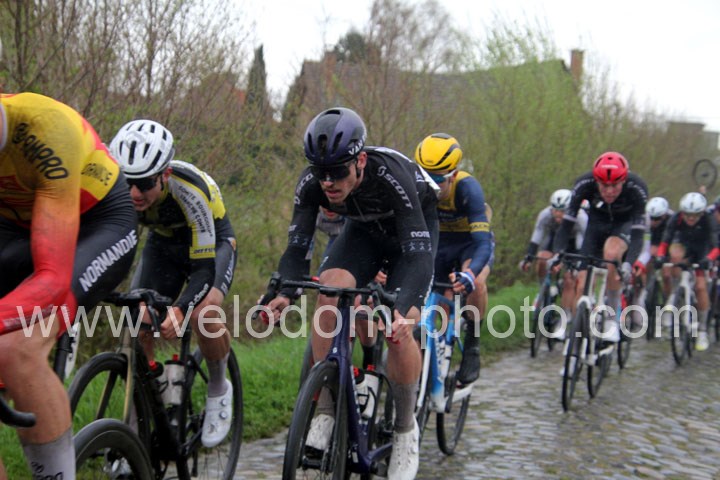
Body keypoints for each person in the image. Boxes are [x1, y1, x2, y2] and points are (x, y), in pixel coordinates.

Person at [265, 107, 438, 480]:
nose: (328, 182)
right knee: (328, 290)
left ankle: (405, 429)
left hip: (412, 238)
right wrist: (284, 292)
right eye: (320, 172)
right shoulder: (312, 184)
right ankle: (326, 409)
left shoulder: (391, 175)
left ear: (360, 161)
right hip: (363, 233)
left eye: (338, 172)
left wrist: (403, 308)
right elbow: (297, 248)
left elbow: (418, 257)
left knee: (398, 328)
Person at [0, 92, 139, 479]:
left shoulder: (46, 127)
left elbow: (51, 281)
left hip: (96, 225)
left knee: (16, 348)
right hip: (14, 228)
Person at [109, 119, 237, 448]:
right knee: (137, 321)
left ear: (164, 174)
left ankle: (219, 387)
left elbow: (203, 270)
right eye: (127, 182)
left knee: (202, 314)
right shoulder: (116, 190)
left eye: (144, 184)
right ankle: (143, 409)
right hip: (163, 245)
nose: (134, 193)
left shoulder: (189, 191)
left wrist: (180, 309)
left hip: (212, 245)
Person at [413, 133, 492, 385]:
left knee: (476, 282)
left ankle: (472, 345)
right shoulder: (415, 187)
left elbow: (482, 244)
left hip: (469, 245)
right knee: (430, 297)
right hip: (439, 244)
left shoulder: (468, 189)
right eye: (426, 178)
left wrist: (469, 273)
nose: (432, 187)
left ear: (453, 174)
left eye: (438, 180)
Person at [553, 151, 648, 342]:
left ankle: (611, 320)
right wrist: (557, 254)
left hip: (624, 224)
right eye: (604, 186)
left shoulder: (637, 187)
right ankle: (578, 334)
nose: (609, 191)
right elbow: (566, 225)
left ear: (624, 181)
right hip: (596, 224)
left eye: (615, 186)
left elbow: (639, 235)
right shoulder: (583, 183)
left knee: (611, 253)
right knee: (582, 282)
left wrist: (628, 263)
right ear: (596, 181)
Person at [654, 192, 718, 351]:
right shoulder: (676, 218)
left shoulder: (709, 219)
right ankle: (676, 294)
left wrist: (709, 259)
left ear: (701, 213)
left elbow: (716, 246)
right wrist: (661, 256)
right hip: (683, 244)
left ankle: (702, 330)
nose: (690, 218)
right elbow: (665, 241)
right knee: (674, 256)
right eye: (687, 215)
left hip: (702, 249)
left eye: (695, 215)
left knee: (700, 287)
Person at [520, 189, 587, 334]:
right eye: (555, 210)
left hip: (574, 245)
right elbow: (537, 236)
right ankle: (544, 290)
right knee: (542, 258)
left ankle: (565, 314)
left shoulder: (580, 217)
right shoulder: (545, 214)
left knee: (570, 278)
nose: (558, 214)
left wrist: (570, 263)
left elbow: (582, 246)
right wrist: (529, 257)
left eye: (562, 211)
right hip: (554, 240)